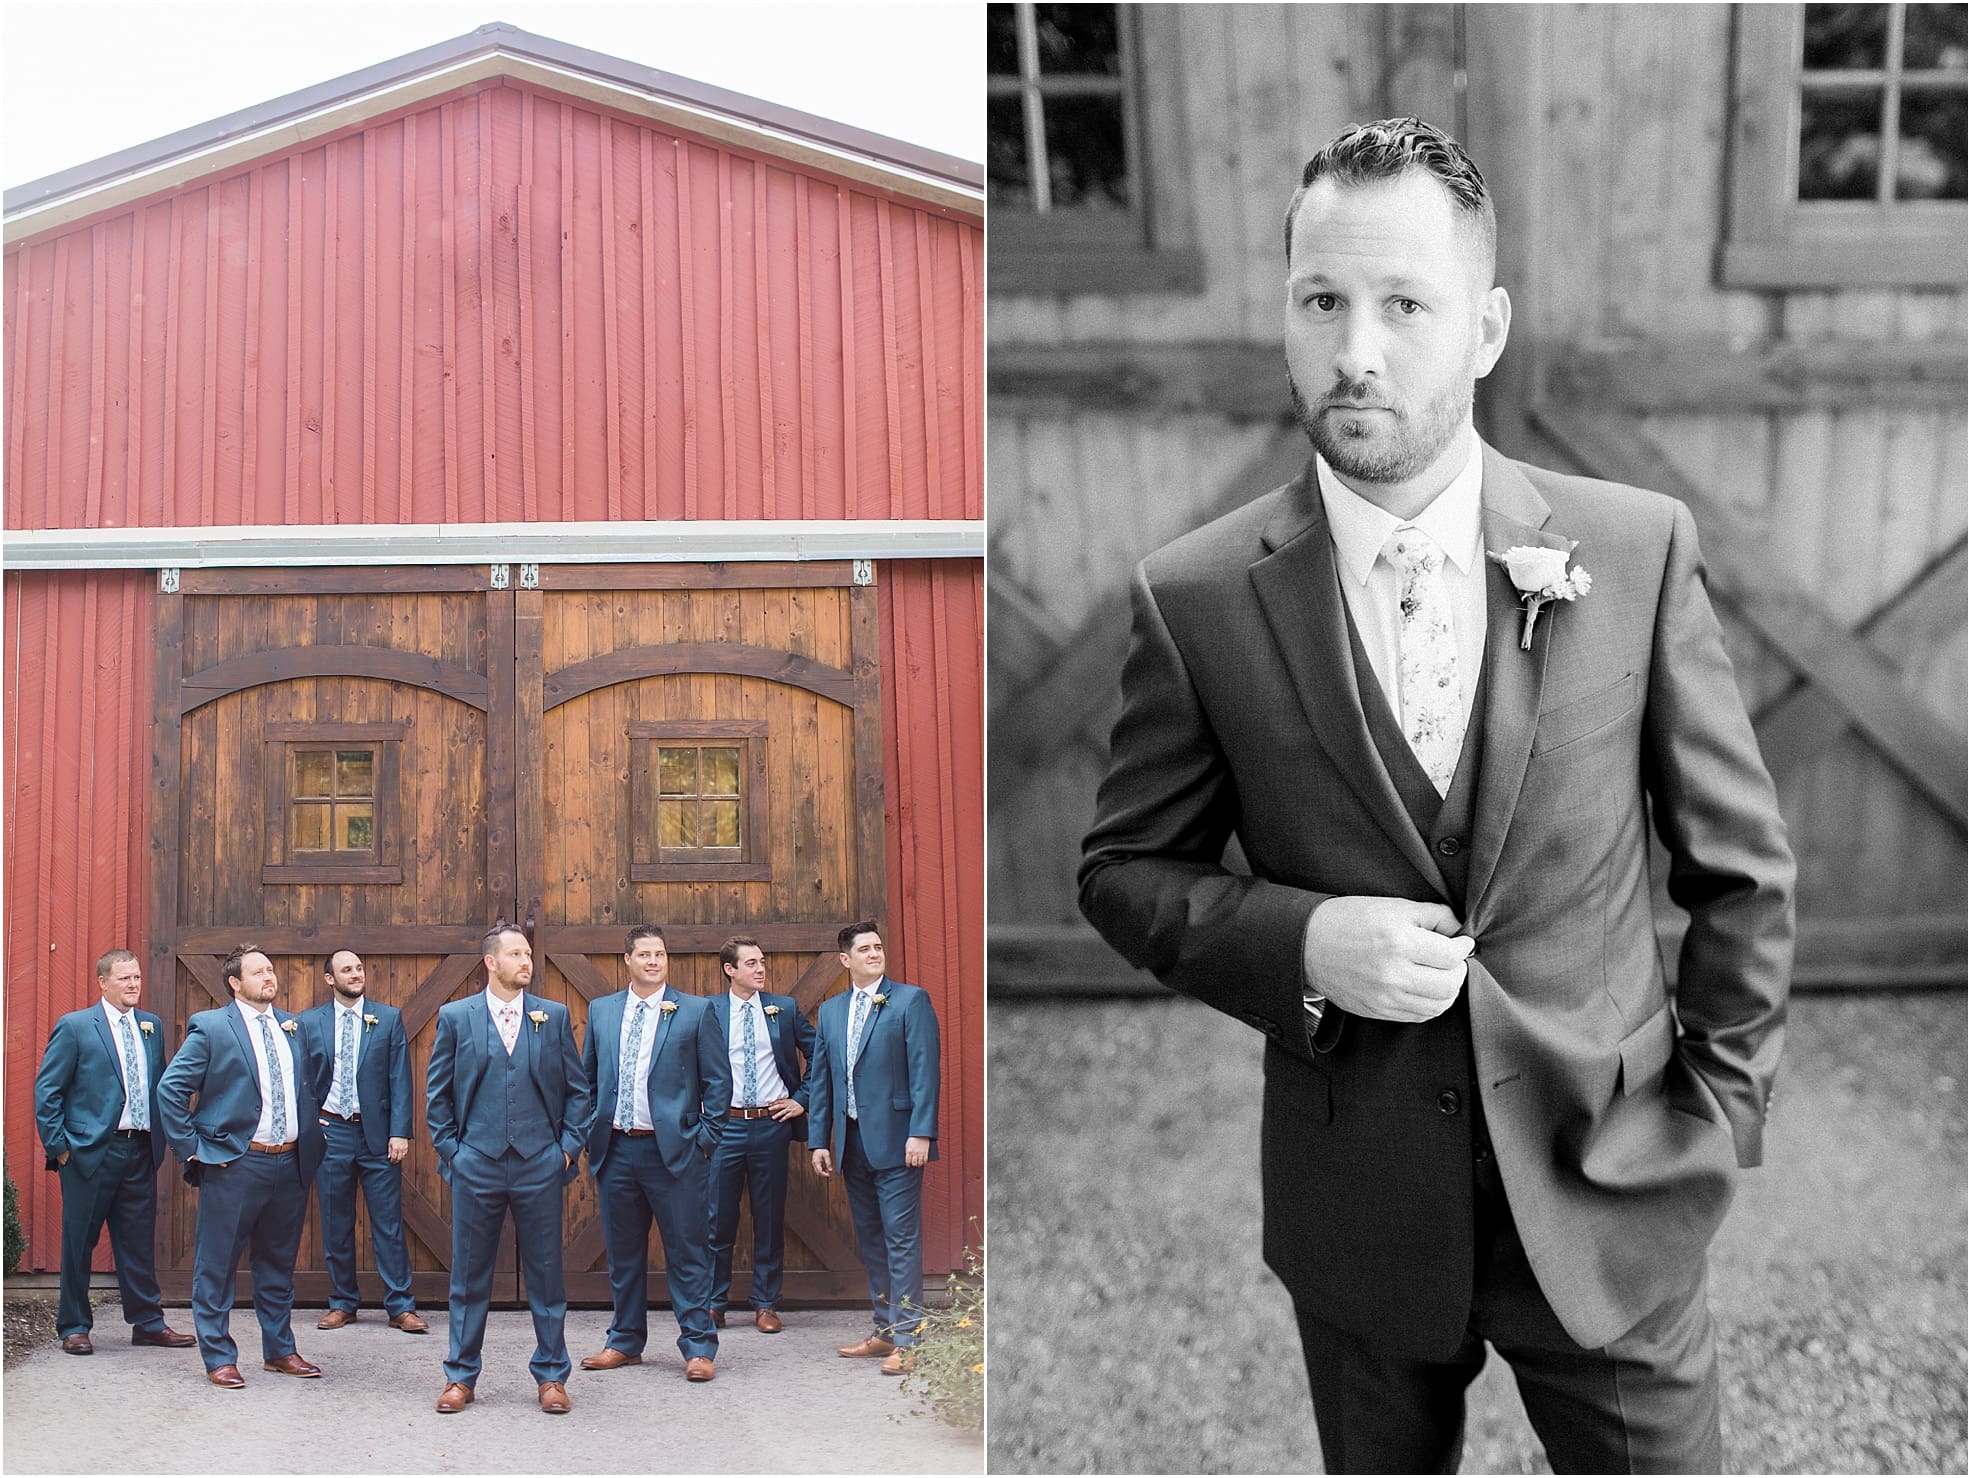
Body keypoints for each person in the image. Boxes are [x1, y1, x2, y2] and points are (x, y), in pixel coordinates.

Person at [1077, 116, 1795, 1474]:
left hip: (1608, 1186)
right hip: (1356, 1207)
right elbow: (1121, 871)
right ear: (1284, 317)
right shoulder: (1193, 598)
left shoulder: (1633, 548)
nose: (1356, 350)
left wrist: (1716, 1116)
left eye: (1404, 304)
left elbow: (1741, 869)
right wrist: (1300, 941)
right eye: (1321, 301)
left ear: (1484, 328)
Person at [426, 923, 591, 1415]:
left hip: (540, 1163)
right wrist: (454, 1153)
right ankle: (460, 1376)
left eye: (528, 954)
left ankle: (552, 1376)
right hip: (476, 1162)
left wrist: (566, 1150)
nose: (526, 961)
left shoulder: (552, 1016)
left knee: (547, 1274)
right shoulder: (456, 1016)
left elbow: (578, 1091)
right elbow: (438, 1095)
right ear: (491, 962)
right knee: (469, 1275)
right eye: (516, 954)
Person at [156, 944, 331, 1388]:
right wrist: (193, 1149)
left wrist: (311, 1124)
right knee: (216, 1265)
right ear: (235, 983)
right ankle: (218, 1356)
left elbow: (314, 1079)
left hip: (290, 1162)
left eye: (271, 969)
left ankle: (280, 1351)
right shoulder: (213, 1026)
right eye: (258, 972)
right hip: (235, 1163)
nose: (269, 977)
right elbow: (171, 1090)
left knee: (278, 1265)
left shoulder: (294, 1026)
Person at [579, 924, 729, 1381]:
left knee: (688, 1252)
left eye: (659, 954)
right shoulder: (602, 1010)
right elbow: (588, 1080)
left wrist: (702, 1140)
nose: (653, 962)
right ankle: (625, 1341)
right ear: (627, 959)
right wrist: (590, 1132)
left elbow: (718, 1084)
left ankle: (698, 1346)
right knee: (623, 1254)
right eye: (644, 954)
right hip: (616, 1149)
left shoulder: (695, 1011)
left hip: (676, 1153)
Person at [32, 948, 195, 1356]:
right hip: (89, 1154)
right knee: (79, 1242)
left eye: (136, 977)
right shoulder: (76, 1027)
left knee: (137, 1243)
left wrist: (162, 1141)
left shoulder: (151, 1026)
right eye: (125, 978)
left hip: (139, 1150)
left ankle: (147, 1323)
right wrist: (59, 1148)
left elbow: (158, 1085)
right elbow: (48, 1091)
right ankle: (74, 1325)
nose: (133, 984)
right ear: (103, 983)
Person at [807, 921, 940, 1376]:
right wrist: (819, 1140)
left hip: (899, 1141)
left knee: (900, 1239)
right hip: (851, 1142)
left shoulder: (909, 1001)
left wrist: (921, 1132)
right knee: (871, 1239)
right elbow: (821, 1079)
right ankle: (885, 1329)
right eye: (864, 949)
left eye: (878, 947)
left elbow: (925, 1069)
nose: (874, 954)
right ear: (845, 960)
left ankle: (909, 1338)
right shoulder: (831, 1011)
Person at [299, 949, 427, 1334]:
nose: (356, 974)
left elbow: (400, 1078)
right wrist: (310, 1123)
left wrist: (399, 1131)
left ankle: (400, 1306)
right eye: (346, 970)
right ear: (330, 979)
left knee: (387, 1223)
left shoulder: (387, 1019)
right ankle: (343, 1302)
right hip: (331, 1133)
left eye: (358, 968)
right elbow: (301, 1078)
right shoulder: (309, 1022)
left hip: (377, 1135)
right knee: (335, 1223)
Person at [705, 934, 815, 1333]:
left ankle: (766, 1303)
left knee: (769, 1216)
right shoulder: (708, 1011)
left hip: (771, 1125)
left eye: (762, 962)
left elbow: (819, 1054)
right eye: (751, 963)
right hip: (725, 1126)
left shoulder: (783, 1009)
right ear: (730, 970)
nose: (760, 969)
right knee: (718, 1218)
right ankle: (713, 1303)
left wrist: (801, 1099)